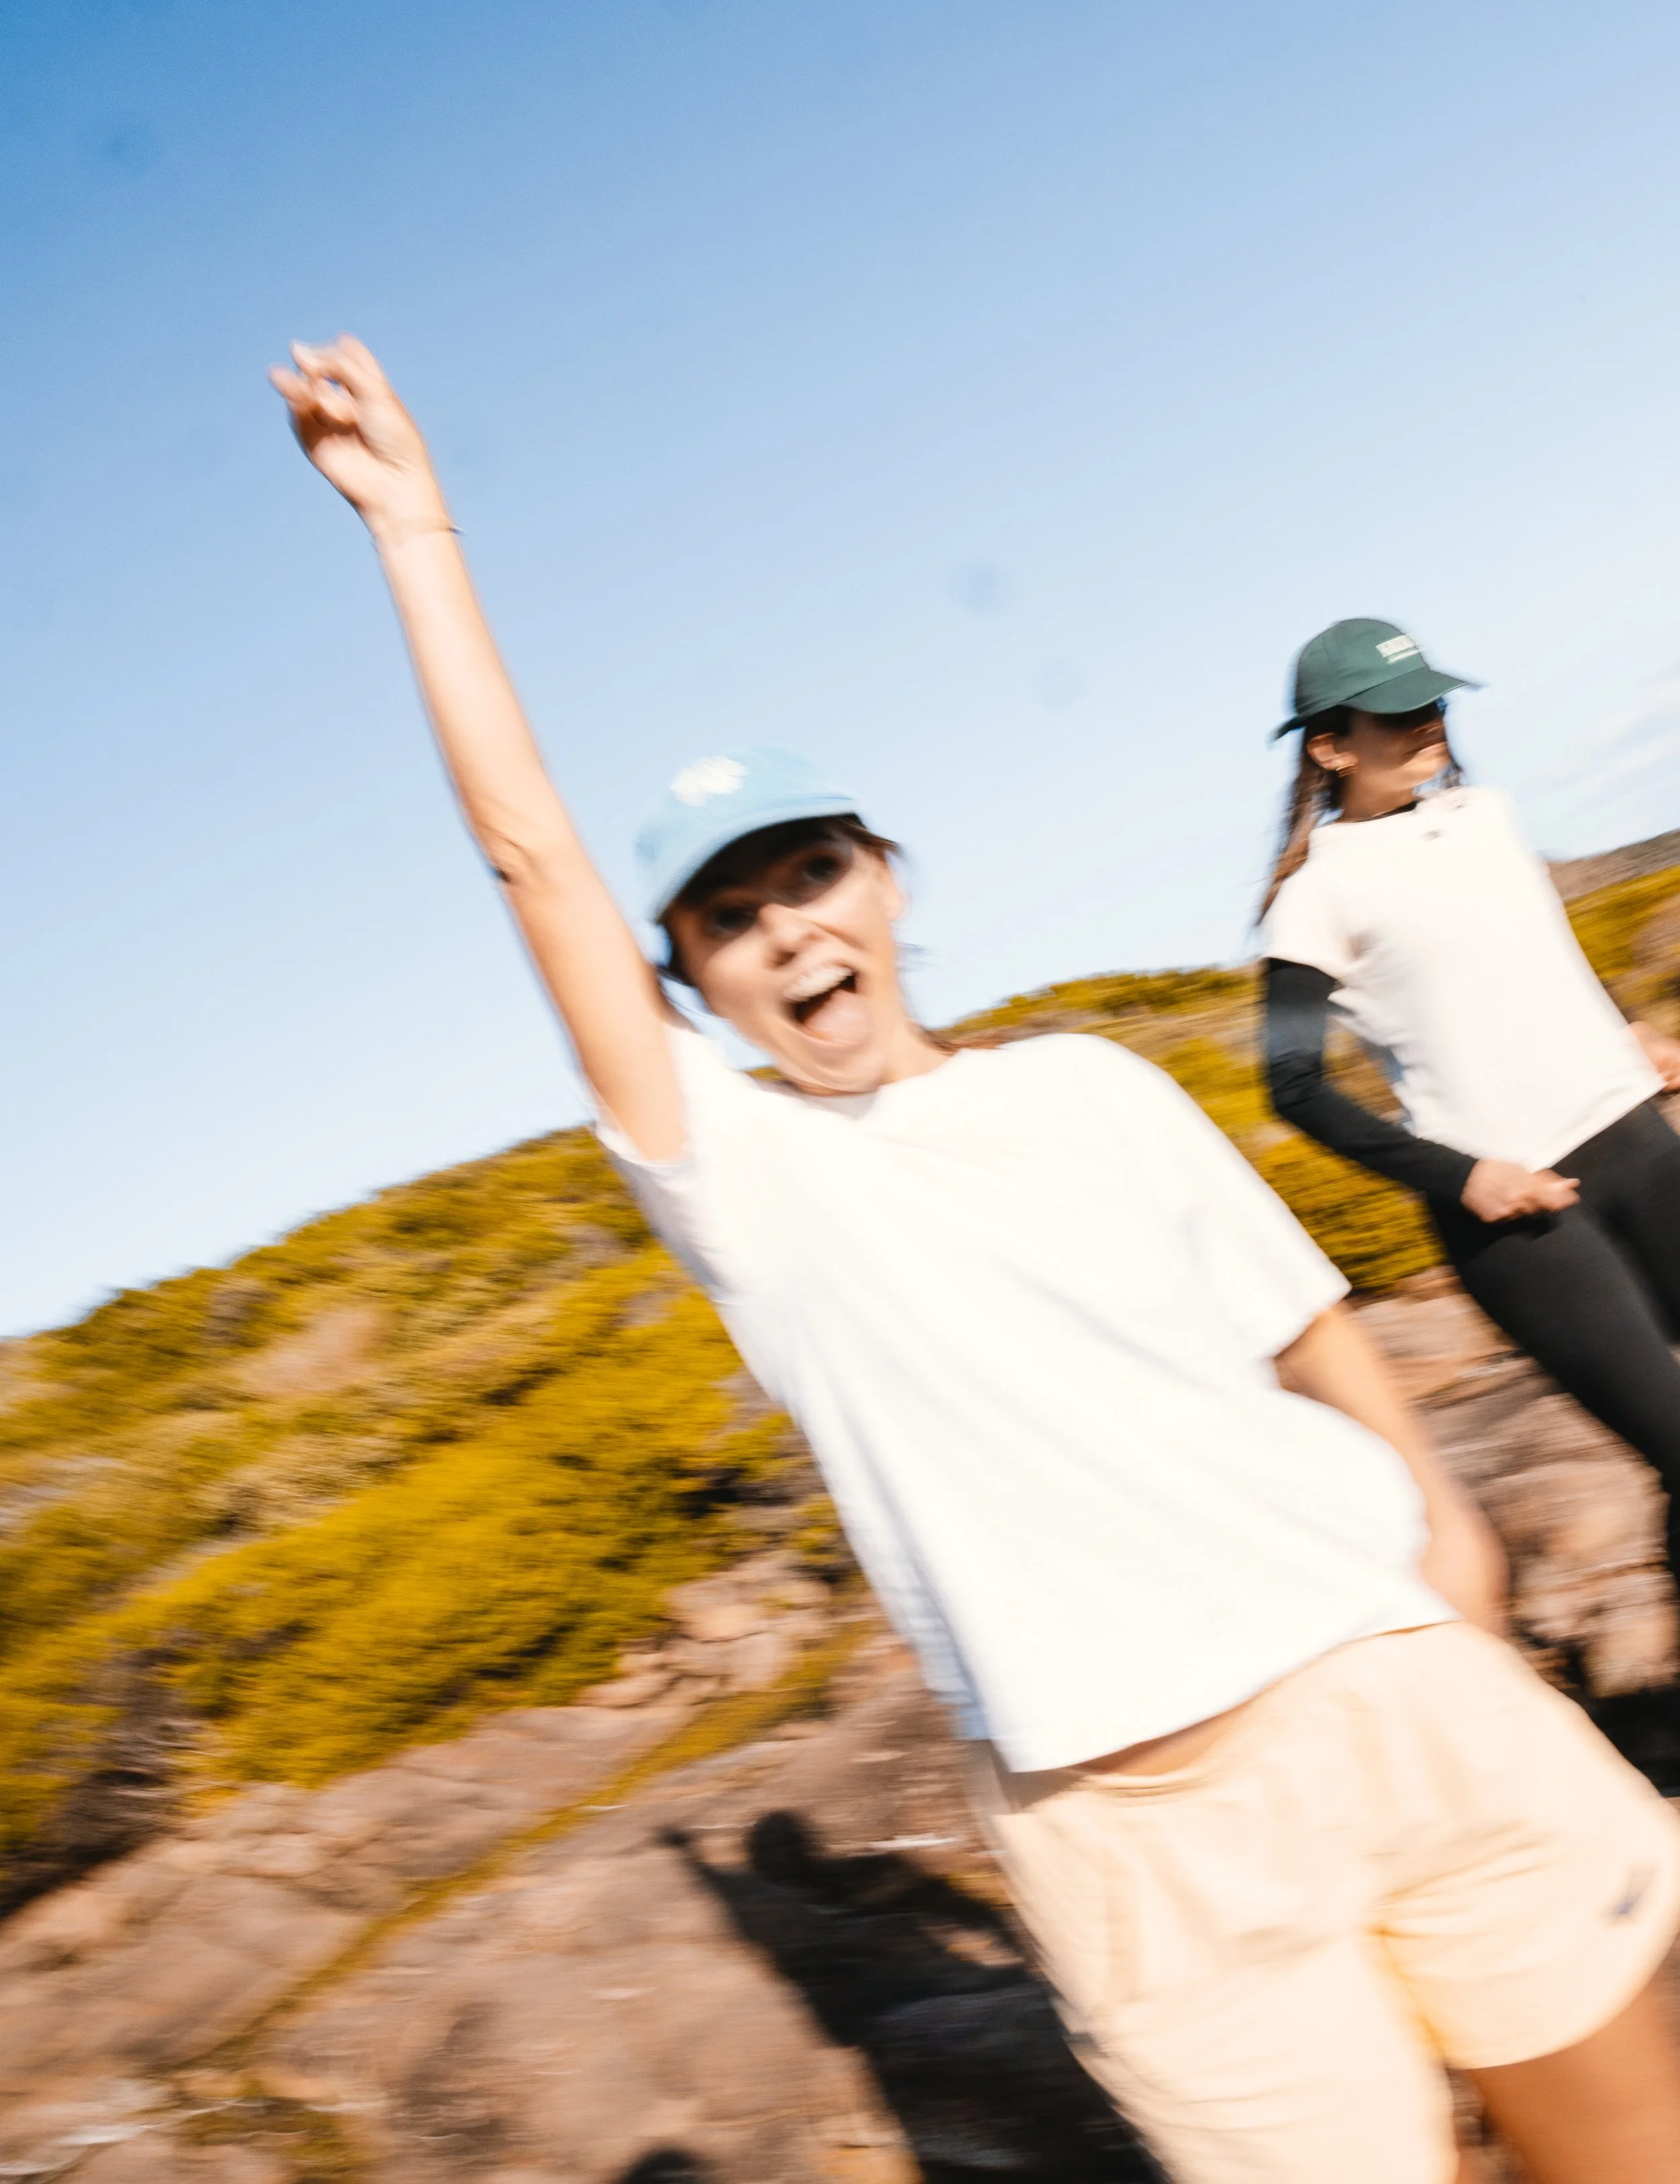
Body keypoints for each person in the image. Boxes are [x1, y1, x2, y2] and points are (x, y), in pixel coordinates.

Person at [270, 341, 1680, 2184]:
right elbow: (531, 855)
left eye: (808, 875)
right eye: (726, 914)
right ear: (690, 981)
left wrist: (1448, 1522)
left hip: (1404, 1693)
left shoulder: (1091, 1085)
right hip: (1144, 1838)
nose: (783, 930)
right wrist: (413, 527)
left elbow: (1302, 1319)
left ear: (886, 881)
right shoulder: (744, 1182)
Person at [1259, 618, 1680, 1612]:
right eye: (1397, 715)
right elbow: (1294, 1086)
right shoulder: (1313, 898)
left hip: (1638, 1141)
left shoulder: (1488, 813)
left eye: (1434, 704)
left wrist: (1626, 1035)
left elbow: (1531, 960)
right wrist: (1465, 1176)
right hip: (1525, 1217)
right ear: (1330, 745)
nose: (1428, 726)